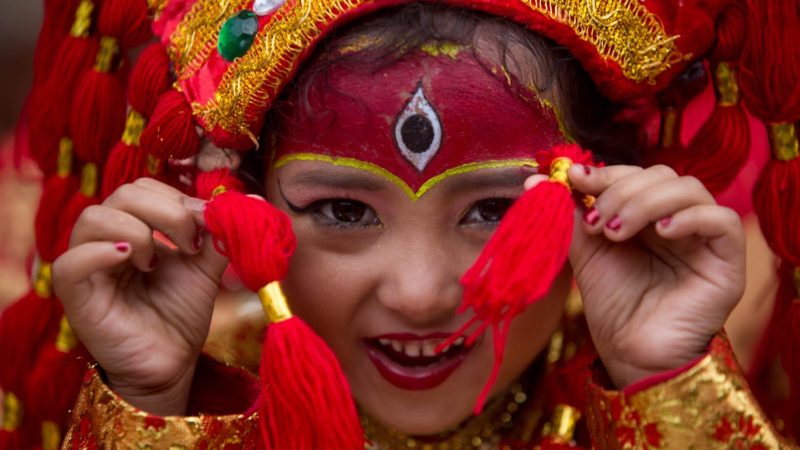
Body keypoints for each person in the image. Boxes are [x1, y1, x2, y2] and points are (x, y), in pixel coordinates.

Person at [1, 0, 798, 448]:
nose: (420, 295)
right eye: (344, 211)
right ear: (240, 209)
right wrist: (149, 400)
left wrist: (669, 382)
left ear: (606, 197)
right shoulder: (178, 396)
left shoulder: (659, 380)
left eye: (497, 210)